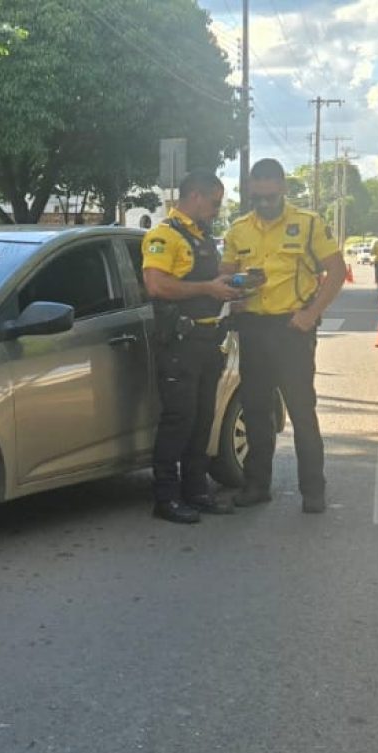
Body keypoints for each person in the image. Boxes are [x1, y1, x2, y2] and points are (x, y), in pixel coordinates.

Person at [221, 158, 347, 514]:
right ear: (249, 191)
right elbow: (225, 275)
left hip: (292, 329)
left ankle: (313, 490)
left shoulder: (307, 224)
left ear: (283, 189)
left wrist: (311, 314)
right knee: (257, 411)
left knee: (302, 411)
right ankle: (257, 485)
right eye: (257, 197)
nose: (264, 204)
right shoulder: (238, 230)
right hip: (254, 328)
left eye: (270, 196)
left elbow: (336, 271)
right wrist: (238, 292)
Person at [142, 170, 246, 524]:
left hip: (207, 341)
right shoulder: (163, 236)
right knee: (178, 422)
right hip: (180, 344)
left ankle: (196, 491)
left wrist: (232, 286)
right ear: (196, 196)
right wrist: (207, 289)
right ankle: (166, 498)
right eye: (215, 203)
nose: (218, 210)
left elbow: (207, 282)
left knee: (203, 421)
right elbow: (156, 286)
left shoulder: (202, 236)